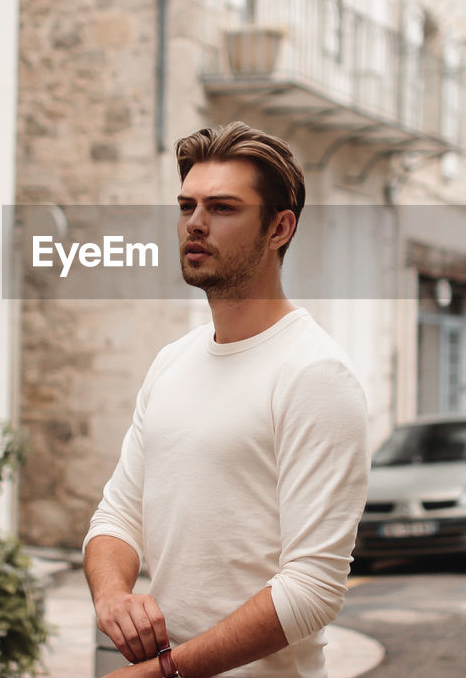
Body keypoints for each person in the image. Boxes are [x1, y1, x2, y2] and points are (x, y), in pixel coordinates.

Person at [83, 121, 370, 677]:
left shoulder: (315, 374)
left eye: (222, 208)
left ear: (279, 228)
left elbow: (312, 589)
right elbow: (116, 516)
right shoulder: (172, 363)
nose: (195, 223)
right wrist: (113, 597)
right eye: (187, 204)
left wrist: (162, 672)